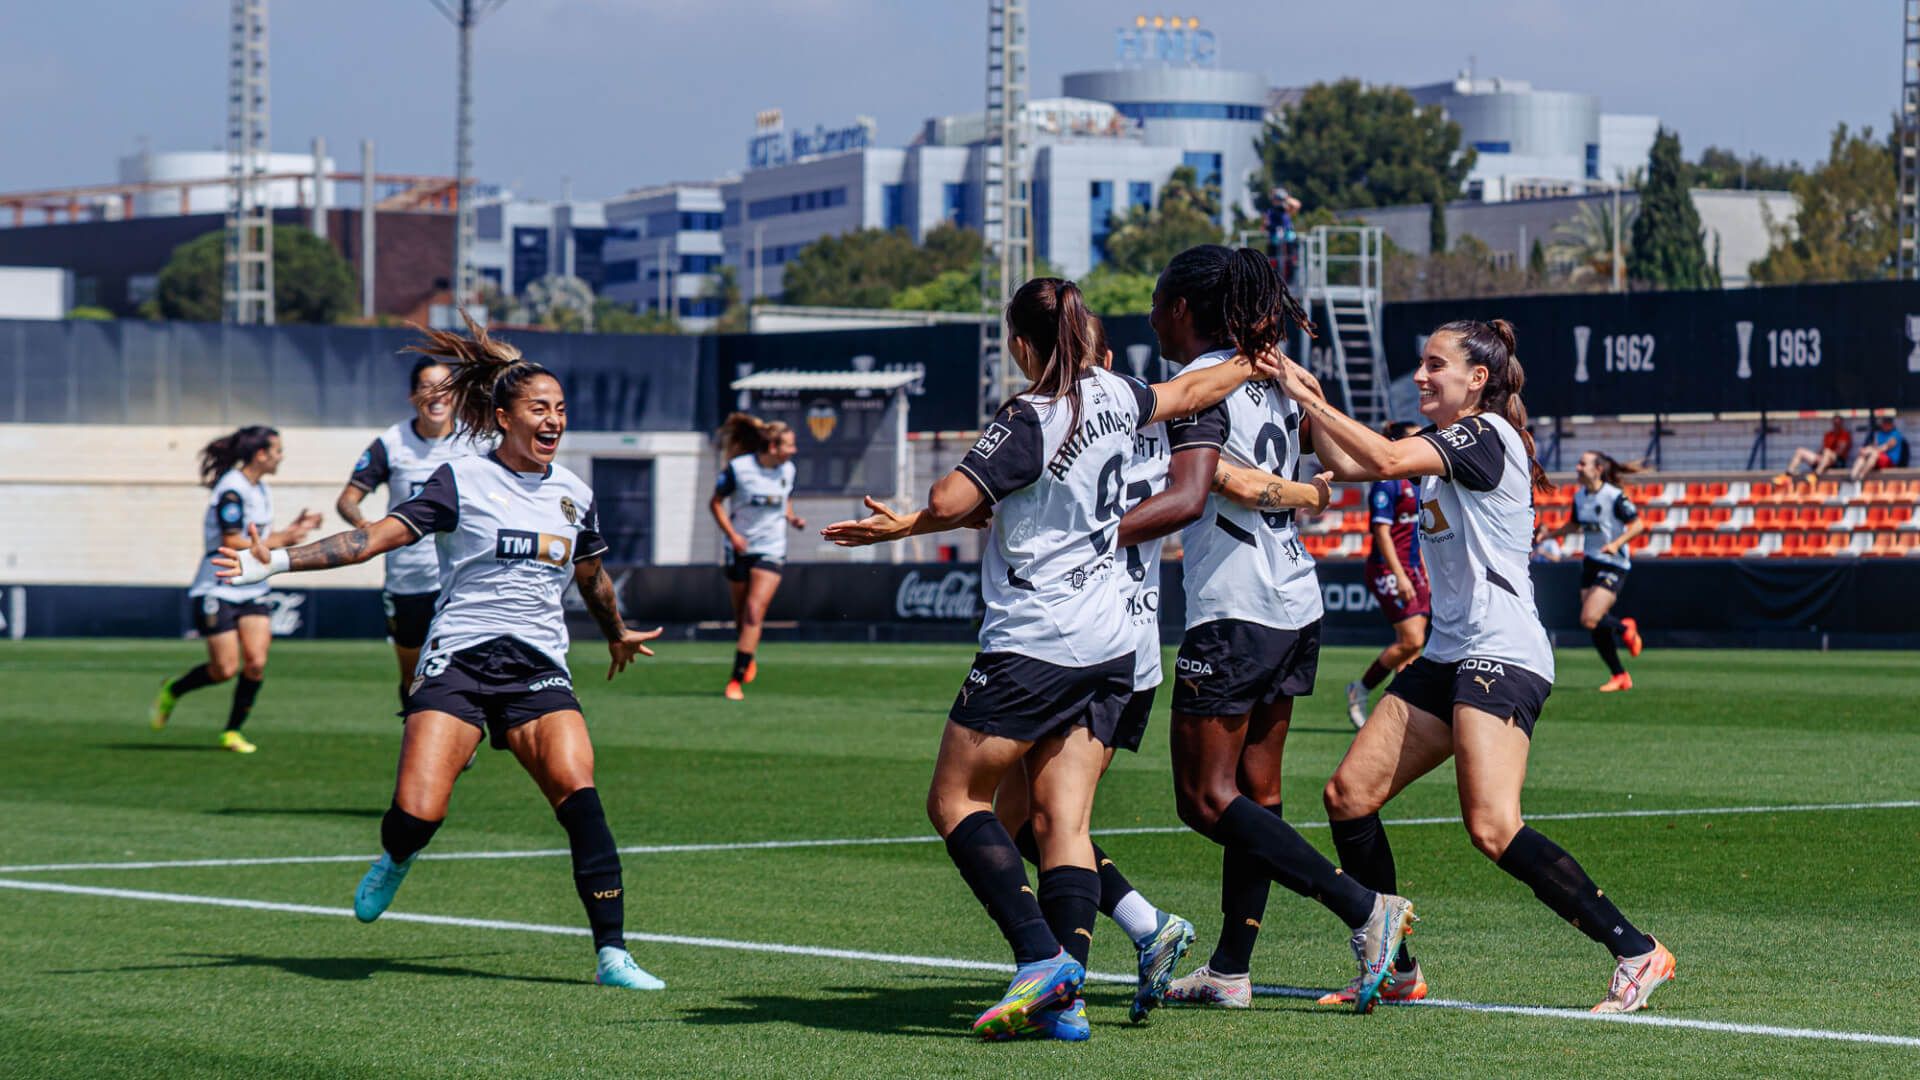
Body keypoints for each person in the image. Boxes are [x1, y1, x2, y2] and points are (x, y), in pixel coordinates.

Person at [822, 276, 1283, 1041]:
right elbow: (1188, 392)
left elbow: (949, 498)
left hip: (1038, 635)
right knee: (1060, 819)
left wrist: (918, 515)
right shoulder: (1119, 395)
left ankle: (1040, 956)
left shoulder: (1030, 414)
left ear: (1020, 344)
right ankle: (1062, 1003)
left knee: (955, 802)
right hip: (1113, 640)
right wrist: (1252, 361)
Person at [213, 316, 668, 990]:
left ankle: (613, 954)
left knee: (581, 796)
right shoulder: (460, 479)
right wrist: (273, 562)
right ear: (504, 416)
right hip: (458, 661)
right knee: (417, 815)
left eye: (561, 409)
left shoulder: (575, 492)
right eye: (540, 408)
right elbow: (371, 540)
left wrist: (616, 629)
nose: (554, 420)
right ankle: (396, 858)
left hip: (538, 669)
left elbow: (590, 573)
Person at [1292, 318, 1675, 1015]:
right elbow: (1351, 464)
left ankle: (1636, 950)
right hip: (1449, 652)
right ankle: (1397, 967)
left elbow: (1376, 460)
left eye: (1436, 364)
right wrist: (1306, 394)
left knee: (1493, 826)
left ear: (1477, 379)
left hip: (1501, 650)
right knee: (1349, 796)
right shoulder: (1444, 442)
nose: (1421, 375)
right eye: (1421, 363)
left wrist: (1308, 398)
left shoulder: (1486, 433)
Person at [987, 326, 1335, 1027]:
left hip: (1074, 633)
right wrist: (1312, 491)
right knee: (1033, 815)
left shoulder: (1077, 423)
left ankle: (1067, 984)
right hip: (1141, 637)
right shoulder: (1172, 406)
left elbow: (1214, 484)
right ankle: (1152, 932)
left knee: (1045, 816)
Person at [1105, 244, 1413, 1015]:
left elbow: (1221, 480)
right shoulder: (1272, 384)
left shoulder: (1199, 389)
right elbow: (1334, 463)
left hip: (1235, 607)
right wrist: (1307, 471)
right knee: (1257, 795)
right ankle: (1231, 969)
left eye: (1156, 303)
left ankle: (1363, 908)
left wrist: (1297, 489)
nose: (1151, 317)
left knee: (1204, 799)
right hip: (1295, 604)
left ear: (1182, 310)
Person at [148, 426, 321, 753]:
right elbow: (231, 541)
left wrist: (292, 531)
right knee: (224, 669)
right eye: (278, 451)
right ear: (261, 455)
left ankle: (232, 732)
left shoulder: (260, 489)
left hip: (252, 585)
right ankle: (173, 689)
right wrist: (282, 540)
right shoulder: (232, 489)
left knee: (255, 662)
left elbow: (257, 541)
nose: (281, 457)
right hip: (218, 586)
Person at [335, 358, 474, 705]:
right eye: (427, 387)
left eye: (444, 387)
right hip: (407, 577)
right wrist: (366, 527)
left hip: (457, 577)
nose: (437, 395)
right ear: (414, 396)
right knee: (413, 674)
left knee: (458, 665)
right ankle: (417, 728)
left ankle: (460, 732)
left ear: (455, 396)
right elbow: (347, 500)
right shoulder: (392, 442)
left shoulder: (474, 443)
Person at [708, 413, 804, 701]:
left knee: (753, 611)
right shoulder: (739, 469)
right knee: (741, 616)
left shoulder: (788, 470)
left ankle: (735, 680)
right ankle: (747, 654)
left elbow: (784, 497)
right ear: (773, 447)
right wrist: (733, 535)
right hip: (739, 548)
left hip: (772, 548)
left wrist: (791, 517)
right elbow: (715, 503)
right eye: (789, 445)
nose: (793, 451)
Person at [1536, 451, 1647, 692]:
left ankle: (1625, 628)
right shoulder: (1580, 497)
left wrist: (1617, 544)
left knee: (1590, 618)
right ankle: (1620, 676)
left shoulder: (1614, 496)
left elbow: (1638, 525)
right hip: (1591, 563)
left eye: (1582, 464)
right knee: (1592, 624)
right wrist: (1550, 535)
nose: (1577, 467)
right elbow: (1574, 525)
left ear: (1597, 469)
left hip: (1613, 563)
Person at [1346, 421, 1431, 728]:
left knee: (1412, 648)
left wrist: (1423, 570)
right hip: (1389, 567)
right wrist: (1401, 575)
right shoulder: (1387, 483)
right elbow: (1381, 533)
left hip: (1415, 568)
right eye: (1413, 439)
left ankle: (1395, 714)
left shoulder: (1418, 482)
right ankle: (1361, 689)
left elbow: (1420, 532)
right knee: (1411, 640)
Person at [1775, 416, 1851, 487]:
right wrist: (1818, 456)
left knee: (1827, 452)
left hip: (1837, 462)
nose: (1836, 425)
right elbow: (1822, 448)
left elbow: (1839, 452)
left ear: (1841, 424)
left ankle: (1816, 475)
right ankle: (1788, 474)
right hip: (1823, 460)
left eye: (1838, 423)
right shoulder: (1828, 435)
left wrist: (1825, 454)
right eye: (1834, 423)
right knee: (1800, 451)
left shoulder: (1845, 434)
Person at [1849, 415, 1910, 481]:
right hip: (1878, 460)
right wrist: (1865, 450)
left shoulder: (1896, 434)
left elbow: (1885, 447)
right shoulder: (1880, 434)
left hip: (1890, 461)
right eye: (1883, 424)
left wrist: (1869, 450)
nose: (1884, 425)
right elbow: (1874, 446)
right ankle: (1853, 476)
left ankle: (1861, 476)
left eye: (1886, 424)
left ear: (1891, 424)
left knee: (1874, 454)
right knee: (1863, 455)